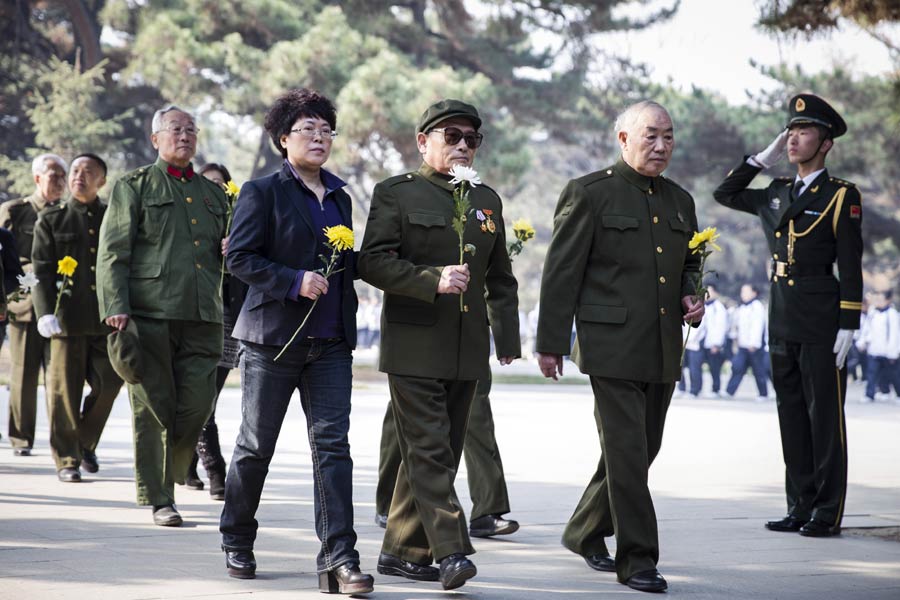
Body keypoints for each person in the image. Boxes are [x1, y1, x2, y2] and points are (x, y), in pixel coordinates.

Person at [535, 100, 703, 594]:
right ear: (624, 140)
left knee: (641, 448)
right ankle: (638, 559)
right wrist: (550, 343)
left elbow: (687, 264)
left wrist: (692, 291)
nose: (661, 145)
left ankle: (584, 529)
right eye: (650, 135)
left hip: (662, 345)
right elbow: (561, 273)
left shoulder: (679, 201)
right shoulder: (589, 193)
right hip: (609, 346)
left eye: (668, 136)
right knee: (628, 453)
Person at [358, 98, 520, 591]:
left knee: (438, 454)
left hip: (467, 347)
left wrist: (507, 337)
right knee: (429, 450)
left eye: (472, 138)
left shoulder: (487, 200)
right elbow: (372, 262)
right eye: (452, 136)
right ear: (422, 141)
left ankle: (401, 552)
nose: (464, 146)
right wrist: (431, 278)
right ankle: (450, 551)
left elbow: (501, 277)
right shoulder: (396, 194)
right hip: (414, 344)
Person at [218, 89, 372, 595]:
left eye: (326, 130)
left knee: (333, 450)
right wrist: (293, 280)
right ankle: (237, 536)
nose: (320, 137)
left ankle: (339, 560)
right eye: (308, 129)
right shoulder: (262, 192)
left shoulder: (342, 197)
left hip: (329, 344)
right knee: (255, 446)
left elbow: (349, 266)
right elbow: (239, 257)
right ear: (283, 139)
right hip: (272, 342)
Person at [714, 93, 863, 537]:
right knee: (792, 416)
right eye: (791, 131)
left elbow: (850, 264)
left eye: (804, 131)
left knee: (825, 420)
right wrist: (762, 157)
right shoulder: (777, 192)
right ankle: (798, 505)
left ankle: (825, 510)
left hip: (821, 320)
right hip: (781, 318)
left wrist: (849, 323)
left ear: (826, 143)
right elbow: (727, 193)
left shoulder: (840, 196)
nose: (795, 138)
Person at [97, 105, 227, 527]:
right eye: (175, 129)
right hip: (149, 313)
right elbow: (114, 250)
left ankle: (166, 475)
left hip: (203, 314)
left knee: (197, 404)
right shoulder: (133, 185)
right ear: (156, 139)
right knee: (152, 407)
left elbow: (229, 251)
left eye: (191, 129)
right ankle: (159, 498)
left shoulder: (213, 195)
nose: (184, 135)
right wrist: (115, 305)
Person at [31, 153, 124, 482]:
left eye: (89, 171)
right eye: (75, 170)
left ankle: (84, 441)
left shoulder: (115, 216)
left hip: (106, 319)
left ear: (102, 181)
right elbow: (41, 270)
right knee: (63, 393)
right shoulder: (52, 219)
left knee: (111, 382)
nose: (78, 176)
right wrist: (44, 312)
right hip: (66, 320)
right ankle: (67, 460)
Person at [375, 368, 521, 538]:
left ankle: (487, 510)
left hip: (467, 345)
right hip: (417, 346)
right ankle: (389, 503)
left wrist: (507, 345)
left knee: (476, 410)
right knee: (406, 406)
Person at [179, 162, 245, 500]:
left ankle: (212, 469)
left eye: (220, 184)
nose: (214, 189)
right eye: (207, 184)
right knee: (193, 396)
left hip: (226, 319)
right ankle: (202, 464)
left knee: (208, 397)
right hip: (191, 317)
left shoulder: (239, 222)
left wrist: (235, 251)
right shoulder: (185, 220)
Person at [0, 153, 67, 455]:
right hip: (24, 304)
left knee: (59, 377)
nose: (60, 182)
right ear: (37, 177)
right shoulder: (15, 211)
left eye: (63, 176)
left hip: (59, 305)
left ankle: (62, 442)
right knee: (24, 373)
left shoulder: (68, 213)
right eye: (54, 175)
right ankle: (21, 439)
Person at [725, 284, 769, 401]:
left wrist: (754, 343)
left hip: (754, 346)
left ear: (754, 293)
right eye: (742, 291)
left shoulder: (757, 307)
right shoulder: (741, 308)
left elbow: (757, 327)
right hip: (743, 345)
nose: (743, 294)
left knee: (758, 370)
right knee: (737, 367)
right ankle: (729, 391)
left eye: (746, 291)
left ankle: (763, 394)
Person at [858, 290, 900, 402]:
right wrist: (862, 342)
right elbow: (867, 330)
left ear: (888, 300)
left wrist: (893, 352)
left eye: (880, 300)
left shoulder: (892, 314)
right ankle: (869, 394)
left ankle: (897, 393)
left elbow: (894, 334)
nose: (878, 302)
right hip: (874, 350)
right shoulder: (873, 313)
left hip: (888, 351)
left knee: (893, 374)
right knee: (871, 373)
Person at [702, 284, 729, 397]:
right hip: (701, 342)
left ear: (716, 293)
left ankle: (715, 389)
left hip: (713, 343)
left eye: (710, 291)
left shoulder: (719, 308)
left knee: (714, 368)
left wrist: (716, 344)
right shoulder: (703, 306)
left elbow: (721, 328)